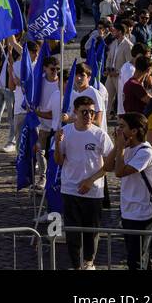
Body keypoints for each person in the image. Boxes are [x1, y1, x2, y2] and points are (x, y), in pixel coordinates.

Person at [54, 94, 113, 269]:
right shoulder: (66, 132)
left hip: (93, 191)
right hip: (70, 189)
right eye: (84, 112)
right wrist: (57, 144)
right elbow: (58, 160)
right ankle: (76, 264)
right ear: (75, 112)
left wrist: (90, 180)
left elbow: (110, 164)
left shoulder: (100, 135)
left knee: (91, 231)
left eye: (92, 112)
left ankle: (89, 262)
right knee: (72, 232)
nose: (89, 116)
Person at [106, 112, 152, 270]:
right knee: (140, 257)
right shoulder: (127, 148)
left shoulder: (145, 152)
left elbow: (119, 172)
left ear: (134, 131)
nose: (118, 130)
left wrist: (121, 149)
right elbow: (107, 167)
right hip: (128, 210)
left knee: (136, 260)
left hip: (143, 213)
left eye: (122, 126)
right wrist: (118, 146)